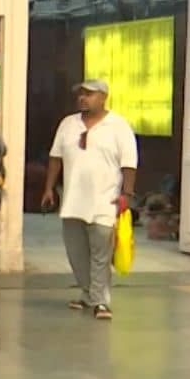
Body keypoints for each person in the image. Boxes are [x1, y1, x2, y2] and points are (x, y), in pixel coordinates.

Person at [41, 79, 138, 321]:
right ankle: (87, 293)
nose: (83, 98)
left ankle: (101, 300)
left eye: (89, 94)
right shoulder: (68, 124)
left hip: (106, 200)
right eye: (81, 94)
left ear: (104, 97)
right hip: (73, 199)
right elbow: (55, 157)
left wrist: (127, 193)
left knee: (100, 253)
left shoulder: (118, 126)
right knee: (76, 252)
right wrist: (49, 188)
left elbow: (129, 163)